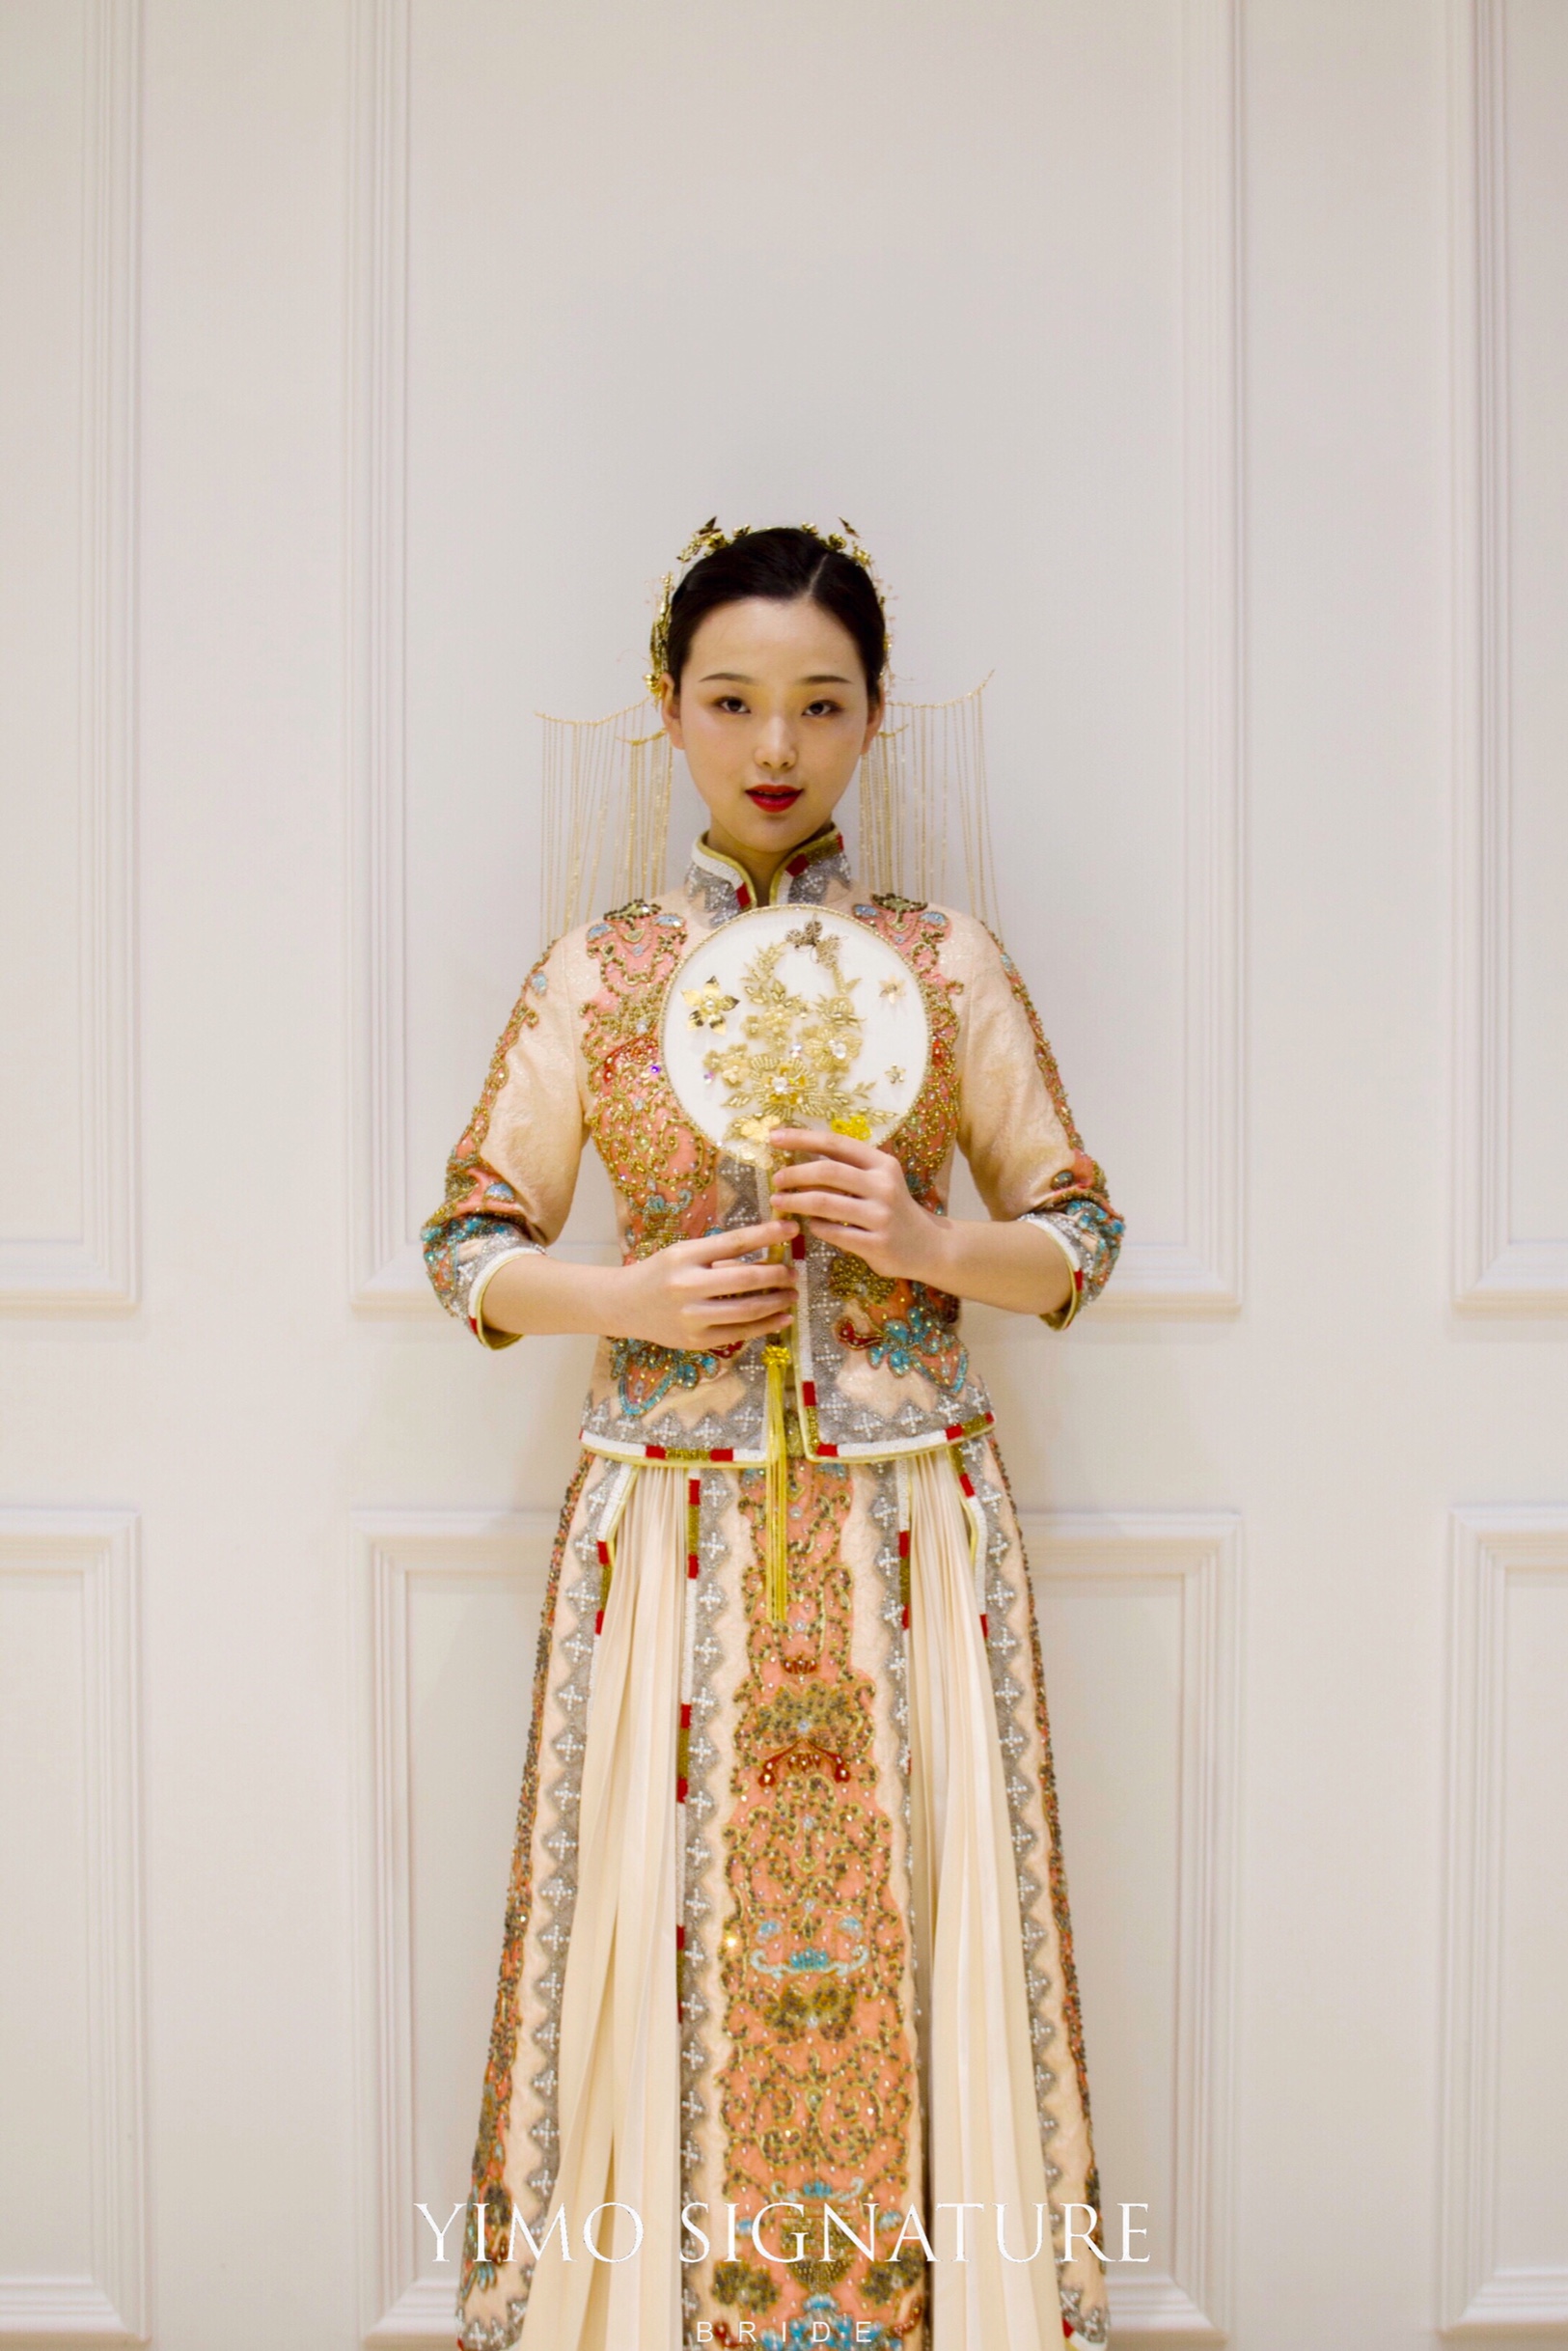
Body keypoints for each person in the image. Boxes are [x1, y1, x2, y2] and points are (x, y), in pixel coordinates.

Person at [422, 524, 1123, 2351]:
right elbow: (468, 1248)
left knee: (917, 1939)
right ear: (668, 708)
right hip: (665, 1533)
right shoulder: (600, 973)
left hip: (908, 1529)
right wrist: (631, 1300)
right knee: (652, 1931)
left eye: (819, 704)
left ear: (874, 717)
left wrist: (928, 1245)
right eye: (731, 701)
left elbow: (1076, 1235)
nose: (774, 746)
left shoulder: (940, 965)